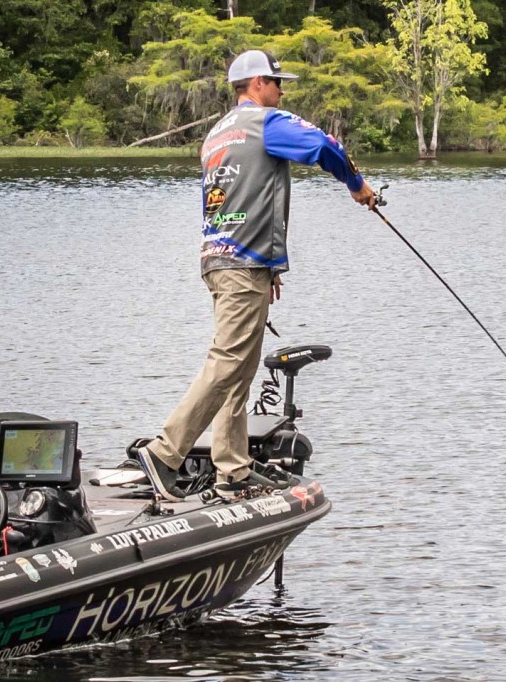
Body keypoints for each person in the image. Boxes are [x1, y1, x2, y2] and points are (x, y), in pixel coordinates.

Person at [137, 49, 376, 502]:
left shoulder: (216, 134)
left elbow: (237, 200)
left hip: (220, 259)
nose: (281, 91)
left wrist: (268, 267)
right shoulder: (266, 122)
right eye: (276, 82)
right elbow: (325, 146)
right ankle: (164, 453)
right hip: (243, 265)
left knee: (240, 367)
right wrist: (356, 185)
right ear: (257, 84)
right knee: (229, 362)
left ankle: (232, 469)